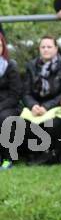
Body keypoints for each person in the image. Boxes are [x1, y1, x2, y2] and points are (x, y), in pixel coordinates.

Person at [22, 35, 61, 164]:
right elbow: (25, 92)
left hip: (57, 106)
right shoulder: (31, 66)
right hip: (36, 106)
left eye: (49, 46)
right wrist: (33, 106)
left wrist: (46, 107)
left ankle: (55, 155)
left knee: (53, 123)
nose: (46, 49)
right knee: (25, 122)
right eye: (43, 47)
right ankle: (35, 156)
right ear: (39, 49)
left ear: (56, 49)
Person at [0, 33, 23, 170]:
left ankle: (8, 158)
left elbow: (15, 94)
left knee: (4, 118)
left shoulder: (10, 66)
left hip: (9, 105)